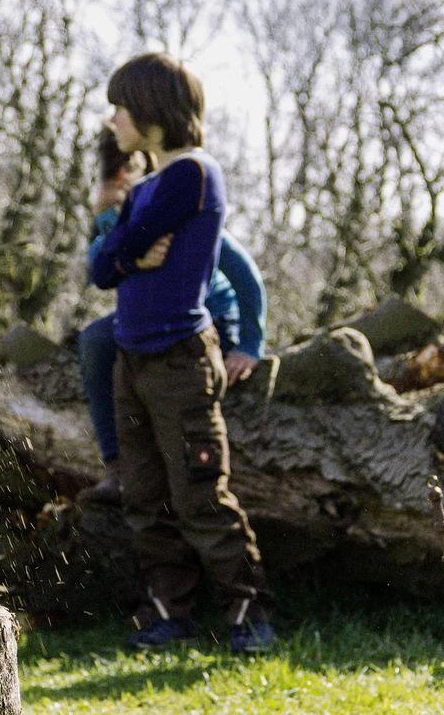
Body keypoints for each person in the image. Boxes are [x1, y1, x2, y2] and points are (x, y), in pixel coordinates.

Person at [90, 52, 275, 654]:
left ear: (152, 110)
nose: (113, 120)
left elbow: (122, 247)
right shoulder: (143, 187)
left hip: (181, 358)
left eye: (121, 108)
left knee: (200, 494)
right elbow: (101, 269)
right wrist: (125, 252)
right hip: (130, 359)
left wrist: (125, 249)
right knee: (143, 498)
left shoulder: (194, 174)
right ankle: (170, 615)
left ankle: (249, 616)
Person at [77, 129, 267, 506]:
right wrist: (117, 234)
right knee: (95, 341)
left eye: (127, 171)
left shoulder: (175, 202)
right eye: (113, 177)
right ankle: (116, 466)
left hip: (207, 319)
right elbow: (100, 267)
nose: (120, 184)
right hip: (150, 322)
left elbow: (246, 276)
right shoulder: (117, 215)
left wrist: (250, 344)